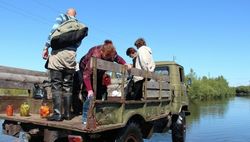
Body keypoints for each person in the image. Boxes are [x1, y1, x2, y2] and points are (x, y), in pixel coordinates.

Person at [42, 8, 87, 121]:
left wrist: (46, 47)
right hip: (71, 56)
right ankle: (67, 114)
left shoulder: (62, 18)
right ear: (75, 15)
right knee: (67, 86)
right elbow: (78, 43)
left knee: (56, 84)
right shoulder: (79, 26)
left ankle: (57, 114)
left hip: (59, 54)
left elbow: (53, 32)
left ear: (67, 13)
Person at [79, 40, 130, 124]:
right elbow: (86, 74)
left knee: (100, 89)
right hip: (85, 68)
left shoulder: (112, 54)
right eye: (106, 57)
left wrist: (125, 63)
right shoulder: (95, 54)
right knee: (89, 93)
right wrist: (89, 90)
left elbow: (118, 58)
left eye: (109, 58)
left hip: (99, 71)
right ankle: (86, 117)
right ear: (102, 52)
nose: (108, 59)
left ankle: (97, 114)